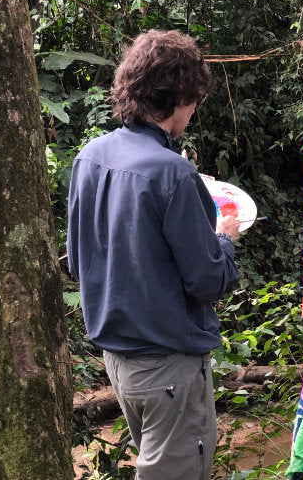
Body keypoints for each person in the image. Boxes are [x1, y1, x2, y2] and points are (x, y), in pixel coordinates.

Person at [67, 29, 241, 480]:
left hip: (119, 362)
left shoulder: (90, 157)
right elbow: (207, 281)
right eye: (194, 100)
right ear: (178, 96)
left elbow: (78, 259)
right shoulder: (174, 173)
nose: (194, 110)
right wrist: (225, 238)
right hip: (167, 364)